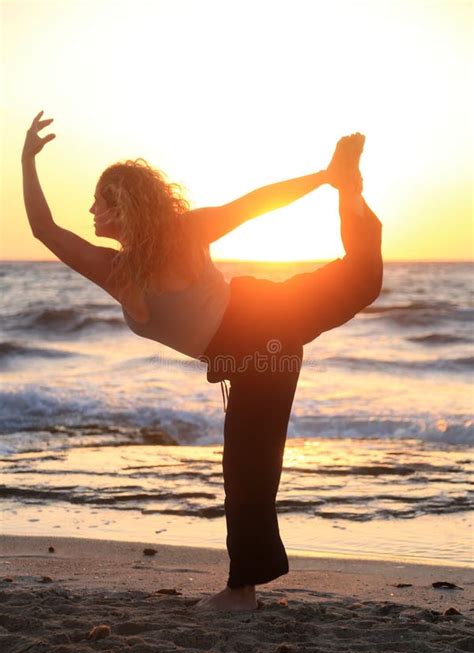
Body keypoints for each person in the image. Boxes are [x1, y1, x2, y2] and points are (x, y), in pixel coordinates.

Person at [22, 111, 382, 611]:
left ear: (123, 205)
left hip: (257, 331)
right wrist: (26, 160)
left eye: (99, 201)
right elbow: (44, 228)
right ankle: (348, 190)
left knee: (247, 468)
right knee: (360, 281)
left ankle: (241, 594)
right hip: (258, 335)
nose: (90, 211)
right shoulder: (118, 266)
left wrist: (323, 177)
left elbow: (254, 204)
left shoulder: (156, 248)